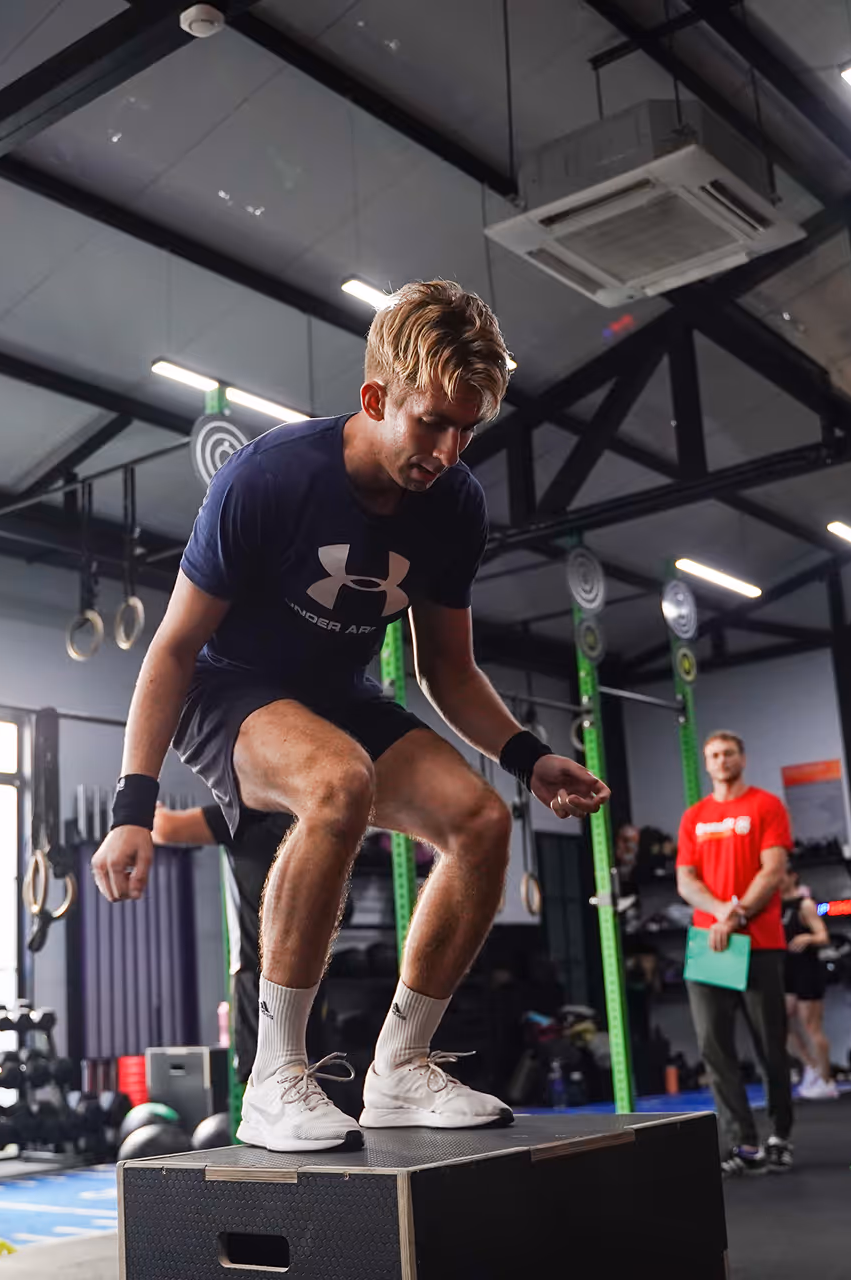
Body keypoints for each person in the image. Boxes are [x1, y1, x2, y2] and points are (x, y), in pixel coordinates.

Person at [88, 280, 610, 1153]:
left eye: (468, 428)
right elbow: (173, 650)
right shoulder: (271, 477)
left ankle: (401, 1069)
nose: (449, 450)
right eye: (432, 422)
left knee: (480, 822)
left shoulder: (454, 506)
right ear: (376, 397)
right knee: (341, 780)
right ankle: (274, 1077)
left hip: (337, 694)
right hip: (227, 691)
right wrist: (131, 810)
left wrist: (526, 758)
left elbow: (447, 668)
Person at [676, 731, 796, 1176]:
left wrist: (737, 915)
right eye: (713, 755)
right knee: (714, 1047)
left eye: (728, 753)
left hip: (758, 941)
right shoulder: (695, 817)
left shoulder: (766, 806)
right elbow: (686, 881)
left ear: (742, 758)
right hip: (710, 945)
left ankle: (780, 1136)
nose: (721, 761)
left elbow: (774, 870)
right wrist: (720, 913)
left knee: (771, 1047)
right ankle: (742, 1144)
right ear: (706, 764)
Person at [150, 803, 298, 1084]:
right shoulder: (301, 812)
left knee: (268, 1086)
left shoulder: (246, 813)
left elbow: (164, 828)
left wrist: (144, 802)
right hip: (304, 976)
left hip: (259, 980)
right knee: (300, 1082)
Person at [778, 865, 836, 1101]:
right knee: (781, 1025)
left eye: (781, 875)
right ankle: (810, 1066)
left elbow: (823, 936)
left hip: (807, 970)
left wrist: (808, 937)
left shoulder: (804, 904)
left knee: (811, 1026)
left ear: (792, 877)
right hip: (786, 971)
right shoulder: (772, 907)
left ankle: (826, 1079)